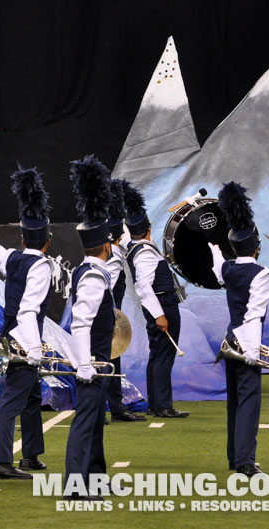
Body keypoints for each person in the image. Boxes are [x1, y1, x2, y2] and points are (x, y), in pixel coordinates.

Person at [0, 165, 53, 480]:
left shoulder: (14, 256)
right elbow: (28, 310)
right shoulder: (41, 267)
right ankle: (0, 461)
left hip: (9, 332)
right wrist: (34, 348)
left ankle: (31, 455)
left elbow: (4, 260)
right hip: (23, 336)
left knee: (31, 396)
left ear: (23, 238)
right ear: (49, 241)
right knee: (14, 397)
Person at [209, 181, 269, 477]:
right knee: (249, 400)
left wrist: (217, 253)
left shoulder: (228, 269)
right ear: (257, 247)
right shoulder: (260, 274)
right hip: (245, 342)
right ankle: (245, 463)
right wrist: (252, 351)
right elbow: (254, 314)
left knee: (234, 402)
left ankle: (236, 458)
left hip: (229, 339)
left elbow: (219, 268)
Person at [63, 155, 115, 500]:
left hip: (94, 358)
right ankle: (75, 486)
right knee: (85, 420)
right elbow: (81, 323)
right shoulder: (95, 275)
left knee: (95, 421)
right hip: (91, 358)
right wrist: (84, 366)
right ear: (107, 245)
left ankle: (96, 478)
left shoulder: (88, 268)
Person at [123, 181, 189, 418]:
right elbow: (143, 286)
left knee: (157, 353)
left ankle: (155, 404)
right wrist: (159, 314)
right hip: (163, 306)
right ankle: (162, 406)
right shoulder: (144, 253)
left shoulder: (135, 248)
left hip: (159, 305)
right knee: (164, 356)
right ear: (148, 228)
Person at [103, 180, 145, 423]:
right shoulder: (114, 256)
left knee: (112, 358)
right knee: (106, 359)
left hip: (110, 314)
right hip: (106, 315)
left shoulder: (109, 247)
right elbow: (106, 288)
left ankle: (115, 406)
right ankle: (108, 407)